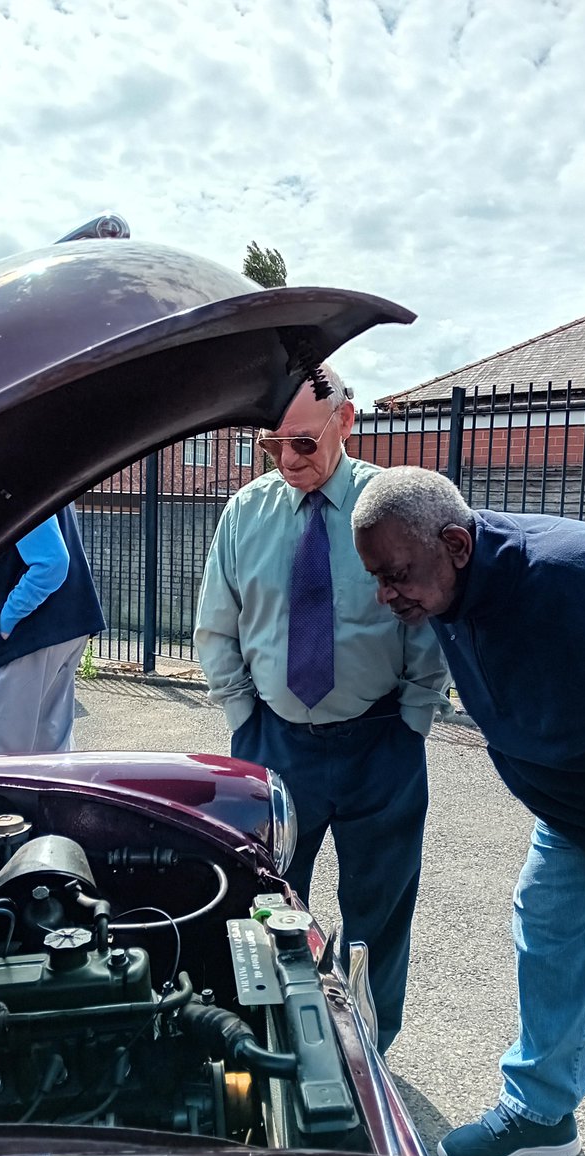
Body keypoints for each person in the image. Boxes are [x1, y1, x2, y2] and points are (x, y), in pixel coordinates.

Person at [350, 464, 585, 1156]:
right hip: (577, 815)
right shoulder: (448, 584)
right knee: (545, 928)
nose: (386, 595)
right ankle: (542, 1112)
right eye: (376, 577)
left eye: (396, 575)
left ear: (455, 543)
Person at [194, 369, 451, 1054]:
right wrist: (247, 721)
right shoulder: (245, 515)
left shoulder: (390, 507)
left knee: (378, 914)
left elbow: (432, 617)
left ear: (349, 420)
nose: (287, 461)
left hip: (380, 741)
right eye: (270, 444)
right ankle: (281, 1047)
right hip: (277, 742)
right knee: (269, 907)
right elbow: (217, 629)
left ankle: (368, 1051)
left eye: (303, 443)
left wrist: (414, 719)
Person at [0, 504, 105, 755]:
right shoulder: (40, 469)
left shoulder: (10, 475)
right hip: (67, 620)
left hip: (33, 631)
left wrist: (7, 617)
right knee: (49, 749)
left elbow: (52, 563)